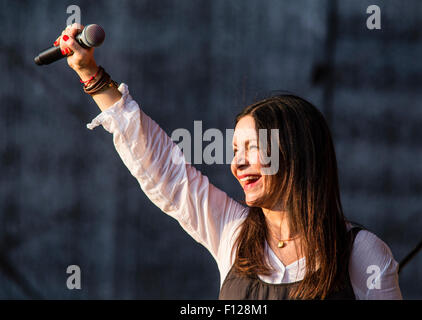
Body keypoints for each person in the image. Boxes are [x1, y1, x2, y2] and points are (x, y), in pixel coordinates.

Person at [55, 24, 402, 300]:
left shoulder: (361, 252)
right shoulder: (233, 233)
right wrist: (91, 74)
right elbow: (167, 172)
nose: (237, 164)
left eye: (251, 148)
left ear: (295, 152)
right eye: (235, 151)